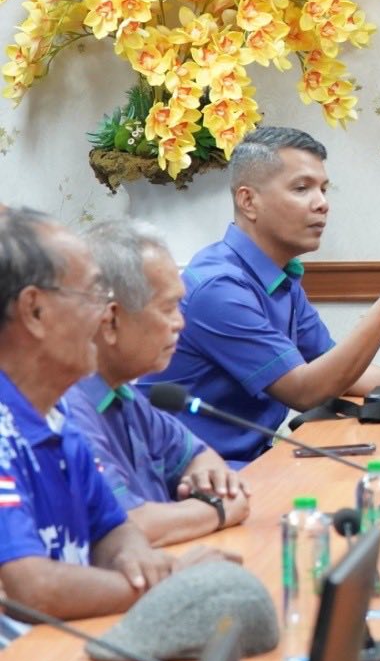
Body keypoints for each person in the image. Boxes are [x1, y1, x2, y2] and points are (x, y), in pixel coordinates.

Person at [143, 125, 380, 466]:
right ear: (248, 201)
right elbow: (306, 391)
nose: (322, 204)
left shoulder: (280, 275)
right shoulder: (218, 288)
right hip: (188, 474)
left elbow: (332, 366)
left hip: (248, 462)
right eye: (302, 188)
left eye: (324, 189)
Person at [0, 208, 229, 628]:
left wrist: (137, 558)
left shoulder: (55, 415)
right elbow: (31, 589)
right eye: (92, 295)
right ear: (35, 311)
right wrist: (168, 585)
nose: (104, 315)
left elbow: (112, 529)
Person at [60, 220, 251, 547]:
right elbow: (124, 526)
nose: (180, 323)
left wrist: (211, 482)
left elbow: (201, 457)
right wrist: (217, 509)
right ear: (111, 321)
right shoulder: (67, 411)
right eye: (168, 308)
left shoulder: (123, 395)